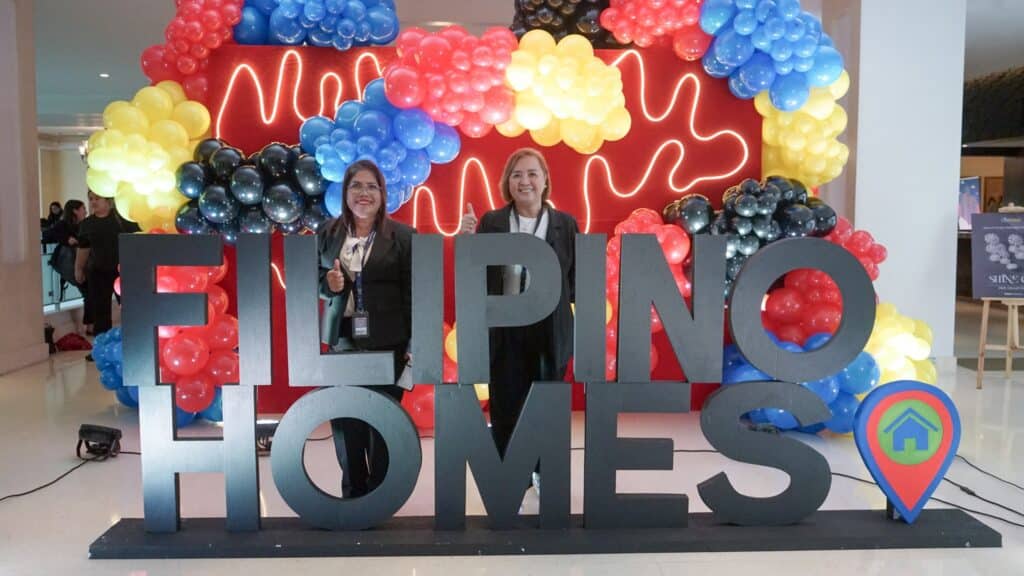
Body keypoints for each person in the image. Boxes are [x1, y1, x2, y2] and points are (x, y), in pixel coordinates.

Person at [458, 148, 578, 494]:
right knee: (506, 399)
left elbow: (577, 280)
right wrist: (466, 242)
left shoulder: (565, 224)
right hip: (504, 326)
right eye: (516, 174)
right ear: (506, 183)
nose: (524, 181)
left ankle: (542, 471)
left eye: (531, 174)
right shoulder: (492, 222)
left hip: (549, 328)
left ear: (545, 182)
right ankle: (512, 474)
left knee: (546, 401)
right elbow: (474, 275)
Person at [318, 159, 415, 499]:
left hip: (389, 343)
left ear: (382, 194)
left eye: (371, 186)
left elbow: (414, 293)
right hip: (343, 342)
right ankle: (353, 494)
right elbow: (317, 284)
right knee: (346, 424)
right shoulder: (327, 233)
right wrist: (328, 284)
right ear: (345, 193)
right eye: (356, 185)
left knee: (384, 424)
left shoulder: (403, 237)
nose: (363, 193)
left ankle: (379, 496)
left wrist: (415, 342)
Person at [76, 191, 140, 341]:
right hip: (97, 272)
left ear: (107, 201)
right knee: (100, 311)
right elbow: (83, 248)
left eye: (97, 199)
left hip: (122, 272)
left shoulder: (122, 220)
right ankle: (102, 346)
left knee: (129, 307)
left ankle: (135, 343)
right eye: (91, 199)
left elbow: (137, 241)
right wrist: (78, 268)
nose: (93, 202)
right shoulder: (87, 224)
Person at [43, 199, 92, 333]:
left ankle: (89, 324)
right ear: (75, 211)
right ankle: (89, 325)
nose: (86, 211)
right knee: (88, 292)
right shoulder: (63, 225)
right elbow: (47, 234)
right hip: (71, 265)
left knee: (89, 292)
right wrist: (67, 239)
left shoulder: (84, 225)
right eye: (83, 209)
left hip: (81, 264)